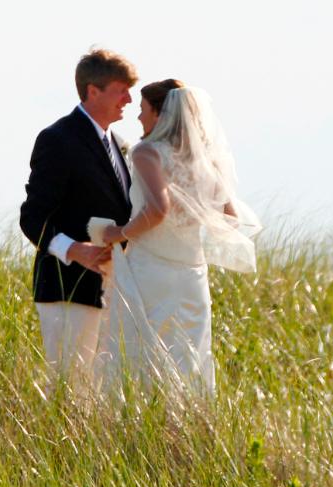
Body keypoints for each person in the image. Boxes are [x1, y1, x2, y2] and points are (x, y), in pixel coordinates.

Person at [95, 81, 262, 395]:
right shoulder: (207, 162)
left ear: (161, 114)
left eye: (143, 111)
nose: (139, 119)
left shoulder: (148, 153)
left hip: (151, 271)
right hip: (191, 275)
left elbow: (158, 209)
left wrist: (118, 233)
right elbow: (230, 216)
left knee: (142, 350)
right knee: (188, 356)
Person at [18, 49, 137, 388]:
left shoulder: (120, 144)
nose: (129, 99)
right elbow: (32, 217)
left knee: (102, 390)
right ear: (92, 91)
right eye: (120, 90)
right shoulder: (58, 139)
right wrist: (74, 251)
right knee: (69, 388)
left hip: (111, 290)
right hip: (65, 288)